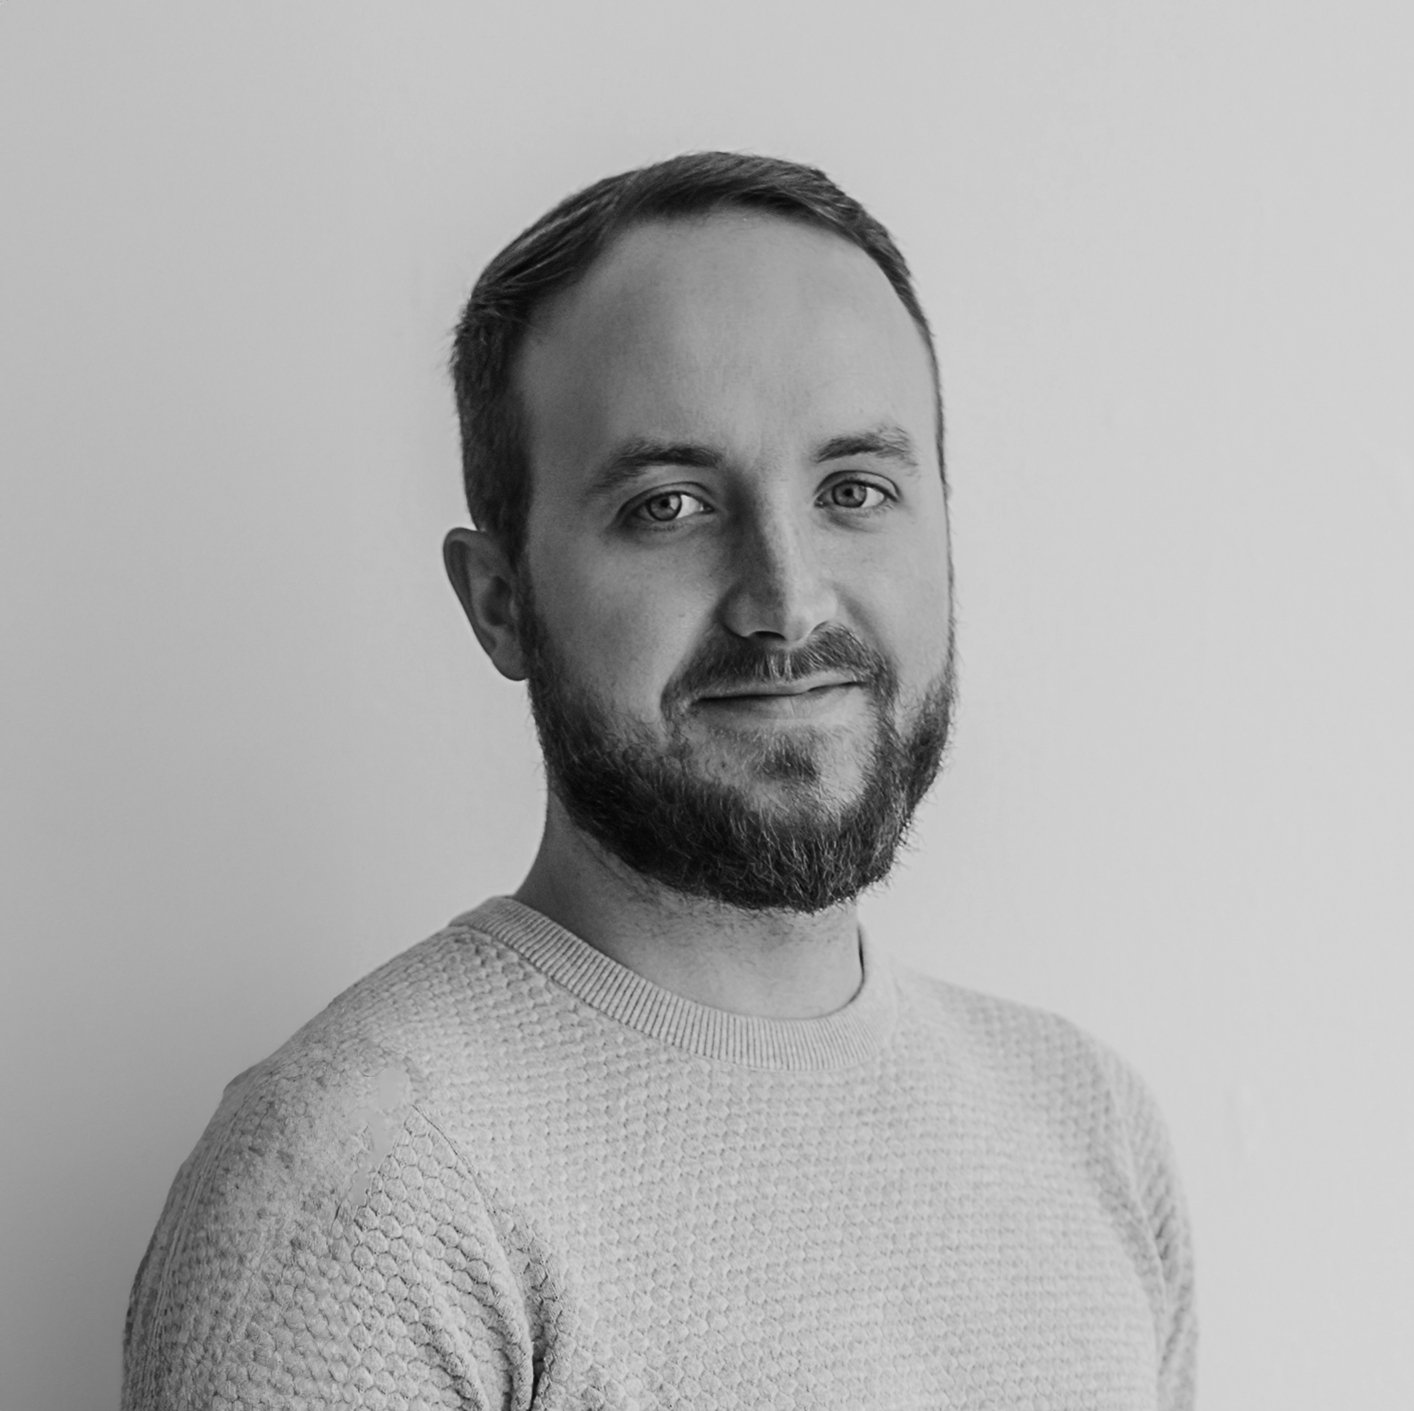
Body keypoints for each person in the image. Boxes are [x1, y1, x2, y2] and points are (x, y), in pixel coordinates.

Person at [123, 151, 1196, 1410]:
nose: (788, 601)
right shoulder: (365, 1187)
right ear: (500, 602)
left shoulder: (1090, 1127)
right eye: (670, 505)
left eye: (856, 490)